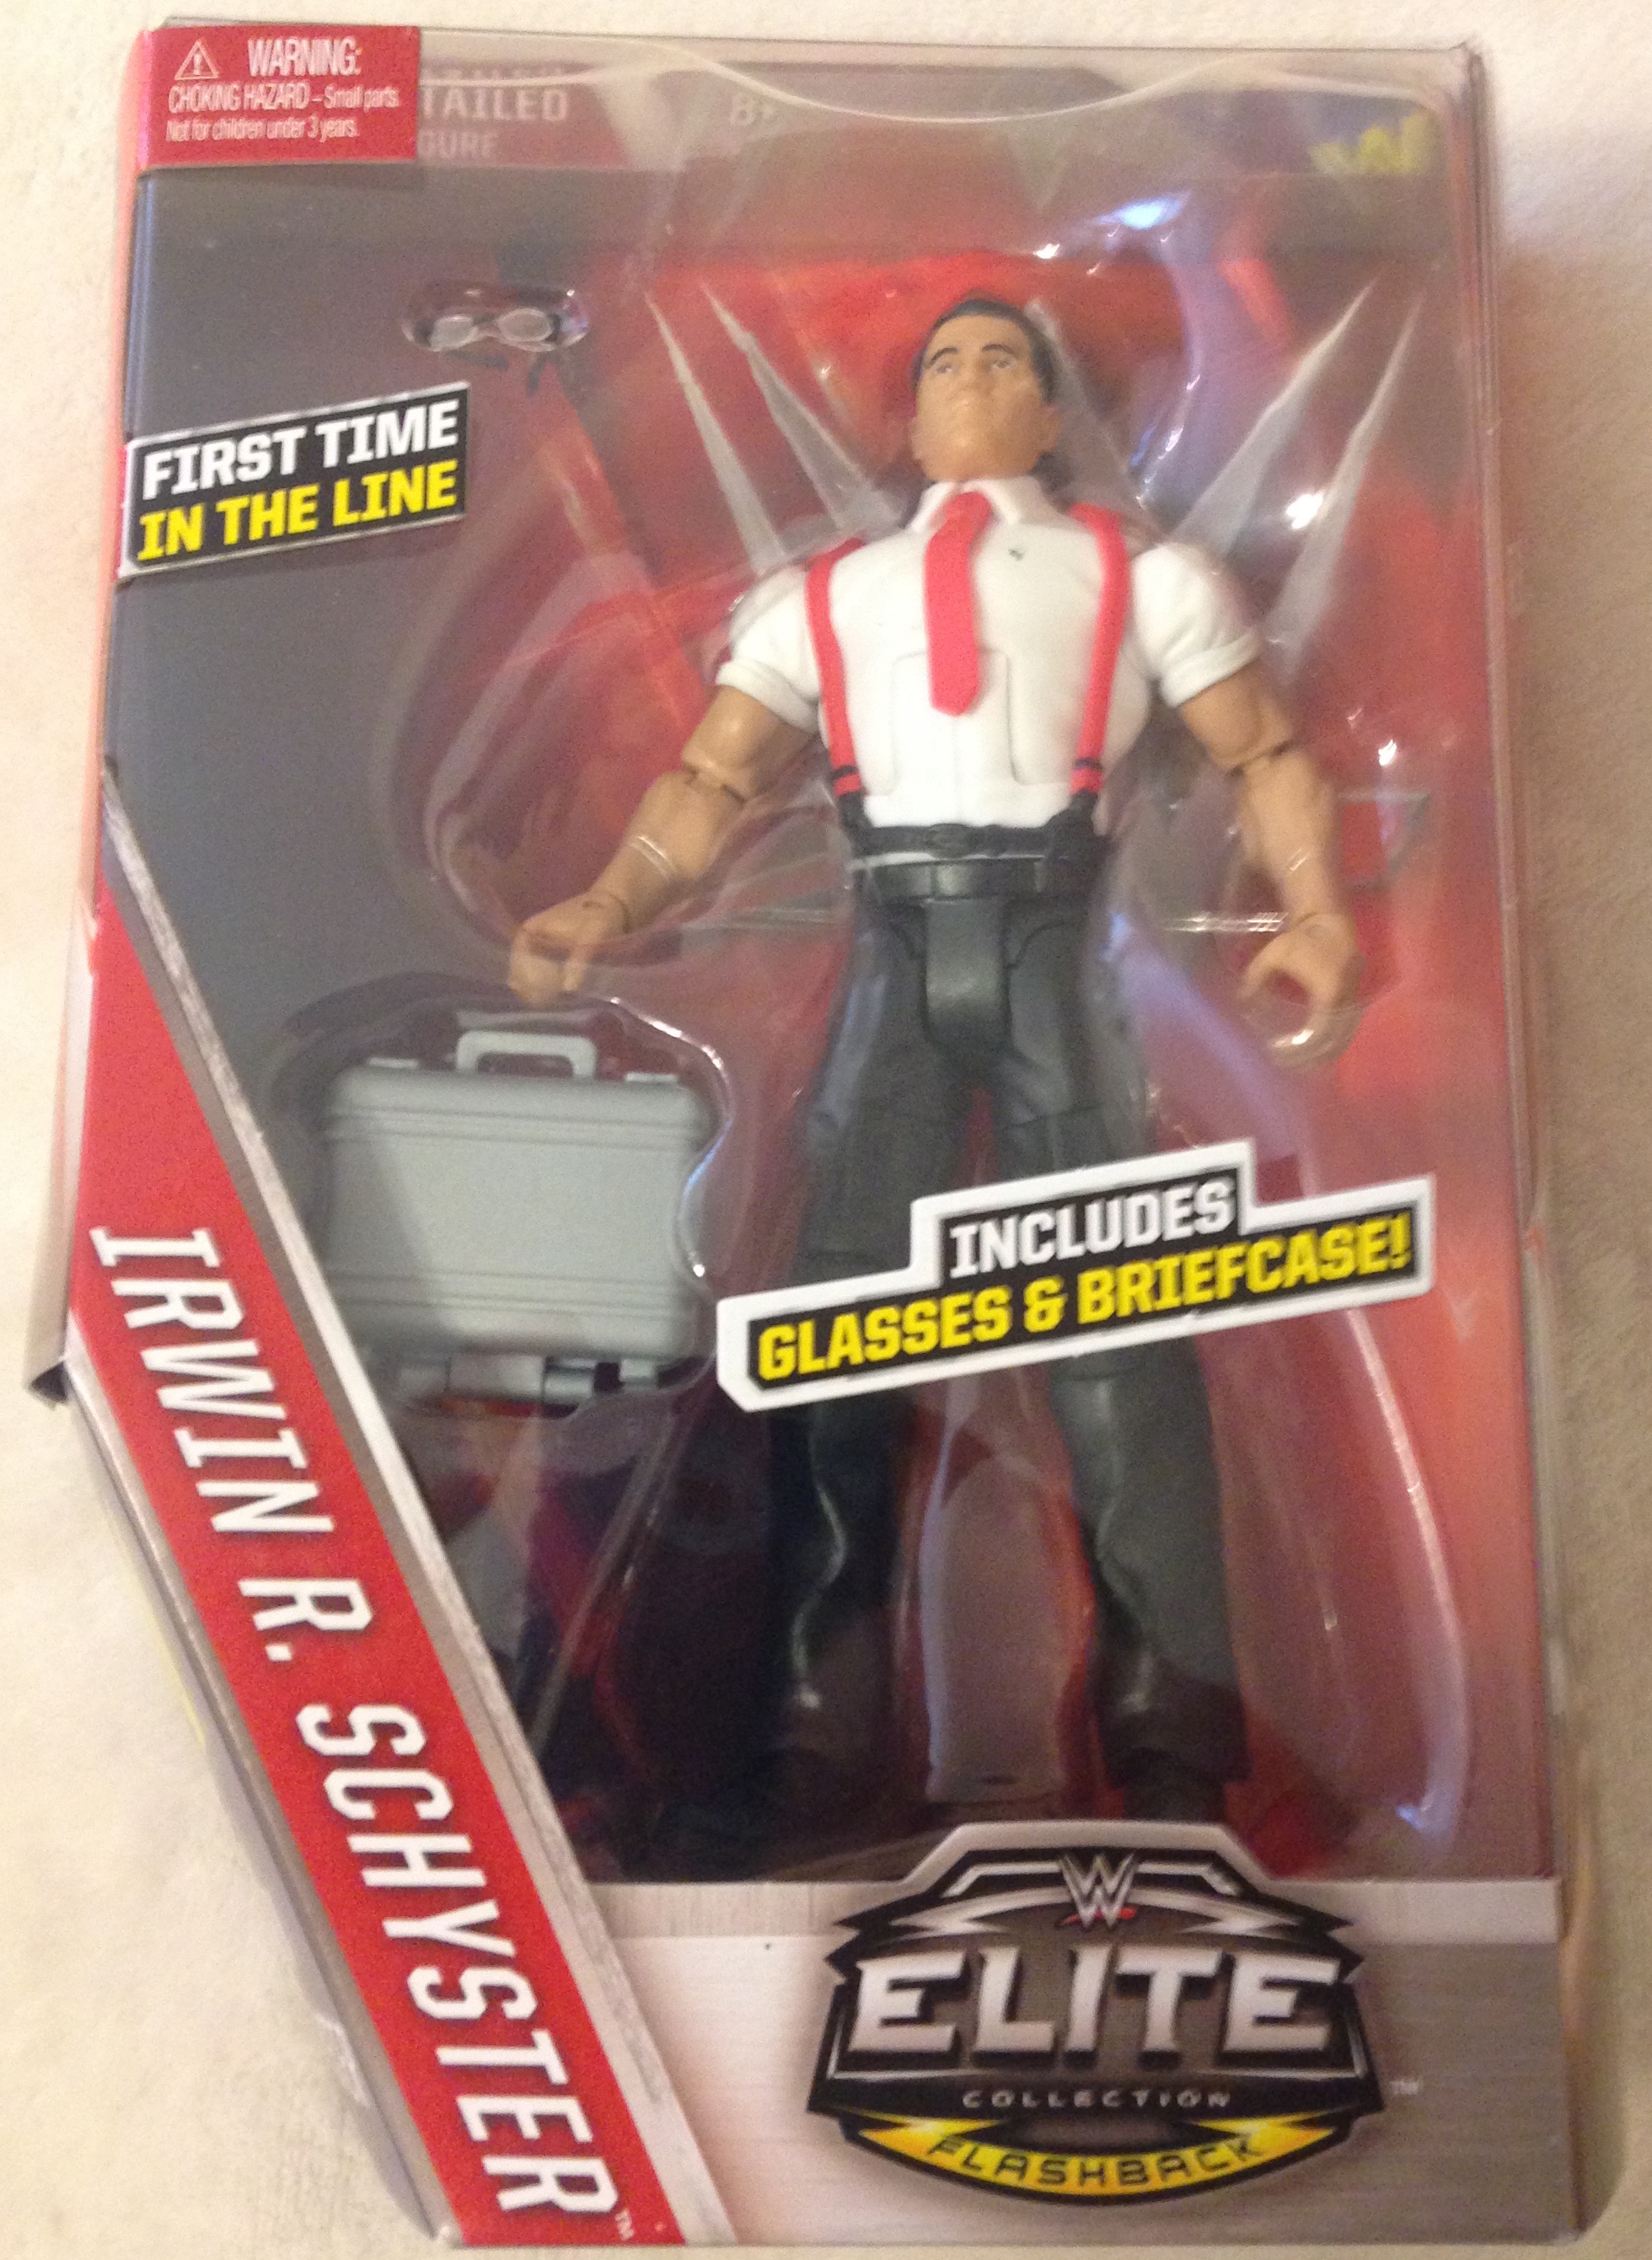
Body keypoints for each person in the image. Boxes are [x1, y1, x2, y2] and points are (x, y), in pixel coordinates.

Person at [510, 296, 1360, 1833]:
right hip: (891, 954)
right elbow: (708, 776)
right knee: (837, 1340)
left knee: (1120, 1335)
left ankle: (1169, 1727)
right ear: (903, 422)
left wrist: (1313, 913)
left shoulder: (1142, 575)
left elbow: (1265, 751)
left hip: (1059, 953)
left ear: (1052, 413)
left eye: (1004, 361)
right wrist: (609, 901)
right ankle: (814, 1716)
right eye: (943, 364)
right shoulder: (822, 595)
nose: (971, 380)